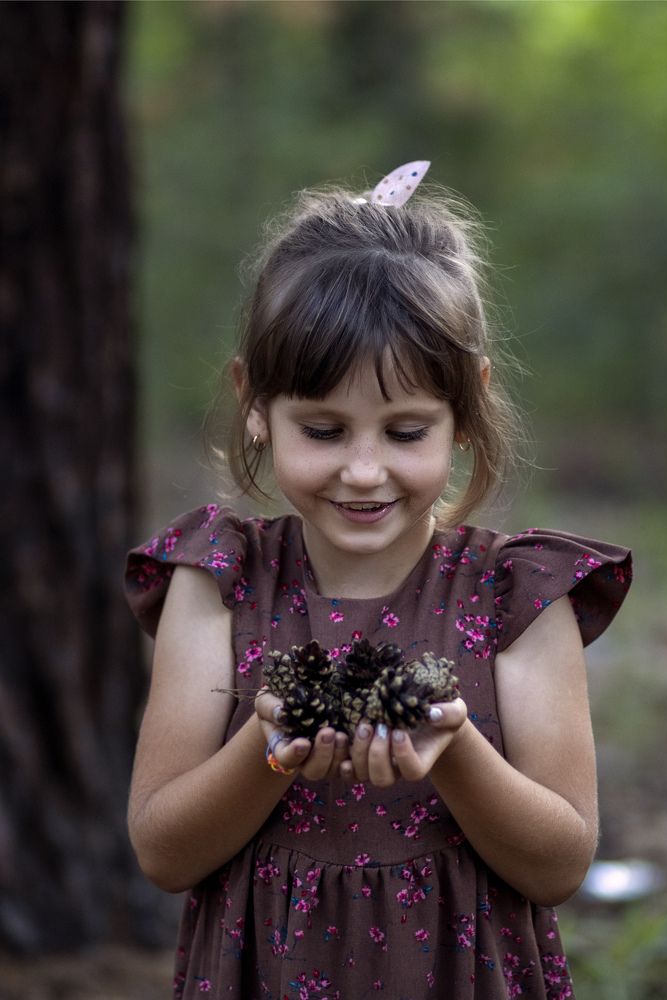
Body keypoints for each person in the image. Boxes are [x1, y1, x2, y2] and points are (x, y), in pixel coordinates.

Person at [124, 161, 632, 1000]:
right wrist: (270, 748)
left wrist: (457, 750)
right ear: (255, 401)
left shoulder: (518, 597)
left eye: (404, 431)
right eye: (323, 430)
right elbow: (161, 851)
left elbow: (561, 863)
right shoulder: (216, 583)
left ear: (466, 407)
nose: (364, 471)